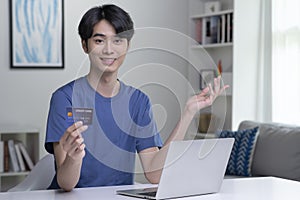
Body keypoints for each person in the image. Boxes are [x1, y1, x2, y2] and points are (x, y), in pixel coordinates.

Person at [45, 4, 228, 192]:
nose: (109, 50)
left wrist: (189, 112)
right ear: (85, 45)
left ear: (127, 46)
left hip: (119, 196)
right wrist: (74, 158)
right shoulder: (65, 98)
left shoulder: (138, 102)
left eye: (118, 41)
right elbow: (66, 183)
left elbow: (154, 173)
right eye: (99, 41)